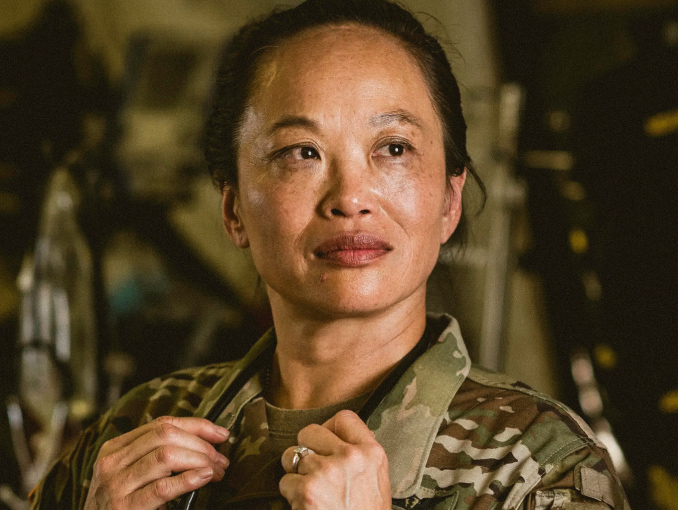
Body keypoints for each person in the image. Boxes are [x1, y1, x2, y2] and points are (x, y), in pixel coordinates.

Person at [29, 0, 631, 508]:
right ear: (233, 208)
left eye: (393, 148)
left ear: (450, 201)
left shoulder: (533, 466)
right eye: (301, 152)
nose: (350, 198)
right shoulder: (128, 440)